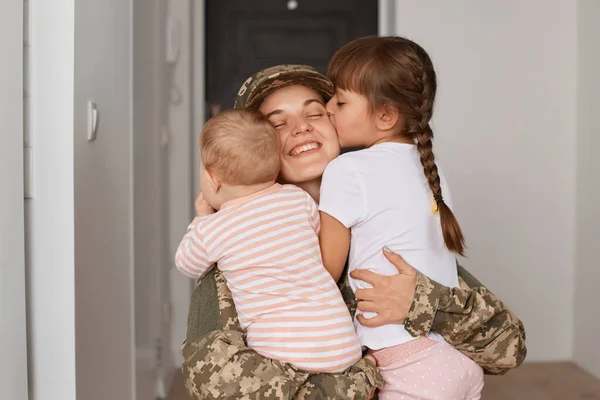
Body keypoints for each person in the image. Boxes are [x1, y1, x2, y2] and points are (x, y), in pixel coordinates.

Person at [181, 64, 526, 400]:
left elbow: (508, 348)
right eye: (277, 123)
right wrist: (357, 384)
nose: (300, 128)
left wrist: (423, 303)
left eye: (315, 114)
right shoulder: (237, 253)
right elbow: (216, 383)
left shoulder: (385, 234)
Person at [319, 36, 483, 399]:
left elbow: (324, 271)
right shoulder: (431, 166)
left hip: (405, 363)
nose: (328, 108)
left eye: (341, 101)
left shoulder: (348, 170)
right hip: (455, 355)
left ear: (386, 115)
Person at [175, 108, 362, 373]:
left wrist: (201, 218)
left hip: (283, 354)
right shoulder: (299, 200)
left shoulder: (214, 229)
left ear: (212, 178)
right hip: (342, 343)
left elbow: (187, 264)